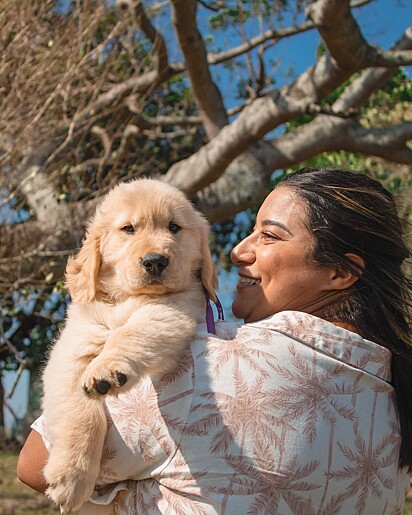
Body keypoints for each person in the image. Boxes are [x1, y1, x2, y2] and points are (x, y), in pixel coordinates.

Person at [17, 167, 412, 514]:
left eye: (270, 237)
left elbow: (36, 464)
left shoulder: (203, 369)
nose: (239, 251)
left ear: (340, 273)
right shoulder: (394, 399)